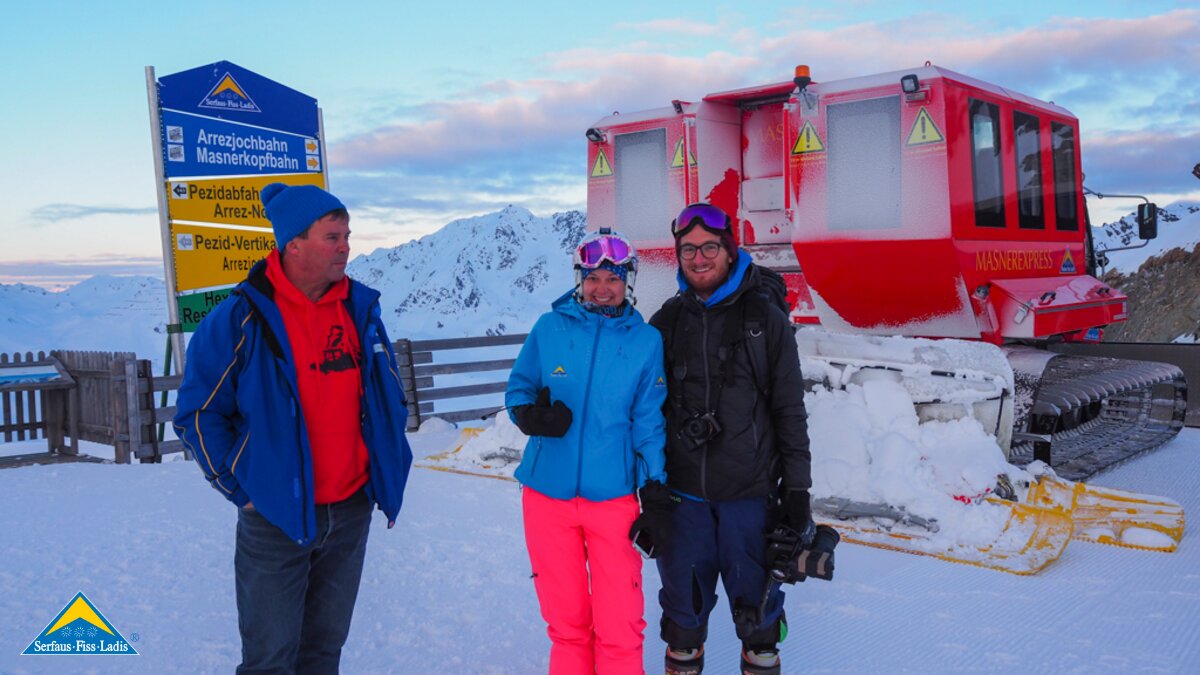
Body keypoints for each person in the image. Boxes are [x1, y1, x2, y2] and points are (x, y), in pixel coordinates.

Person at [174, 183, 413, 674]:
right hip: (275, 518)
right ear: (293, 245)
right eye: (332, 236)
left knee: (323, 652)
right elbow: (198, 415)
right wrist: (242, 490)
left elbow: (384, 393)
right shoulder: (240, 319)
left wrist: (381, 473)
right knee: (270, 660)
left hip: (349, 511)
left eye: (347, 235)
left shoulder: (359, 309)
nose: (345, 246)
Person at [649, 203, 811, 675]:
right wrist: (650, 492)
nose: (699, 259)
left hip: (751, 500)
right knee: (682, 629)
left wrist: (797, 494)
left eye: (709, 248)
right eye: (688, 249)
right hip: (683, 503)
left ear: (729, 248)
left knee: (759, 628)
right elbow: (644, 415)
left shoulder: (765, 319)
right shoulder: (666, 323)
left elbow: (789, 411)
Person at [506, 228, 675, 674]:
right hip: (545, 497)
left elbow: (648, 421)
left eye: (613, 279)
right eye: (593, 278)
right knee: (566, 623)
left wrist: (655, 488)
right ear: (580, 279)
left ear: (628, 282)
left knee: (620, 622)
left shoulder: (645, 342)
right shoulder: (549, 328)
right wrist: (529, 416)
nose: (603, 288)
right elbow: (519, 388)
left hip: (612, 500)